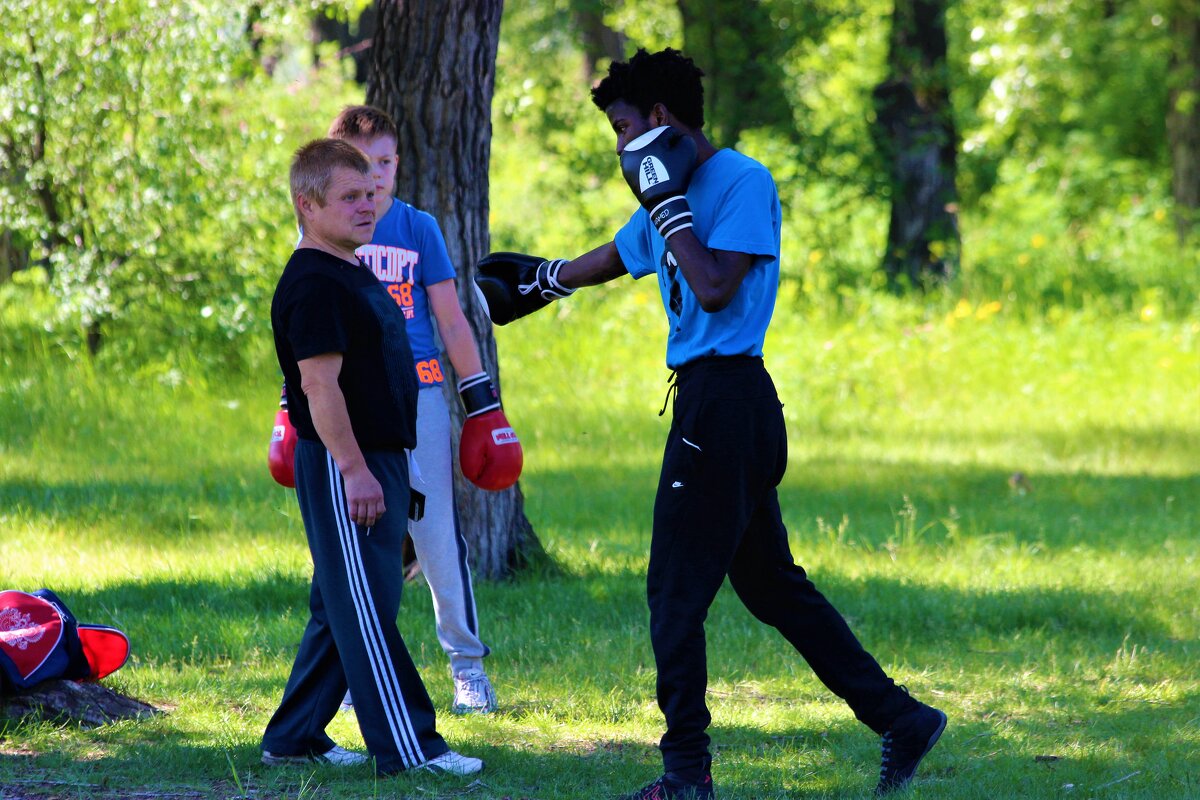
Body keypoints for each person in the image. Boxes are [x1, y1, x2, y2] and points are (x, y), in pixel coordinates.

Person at [474, 49, 947, 799]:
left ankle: (685, 773)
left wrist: (665, 202)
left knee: (674, 595)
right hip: (710, 406)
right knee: (772, 589)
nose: (620, 146)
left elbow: (718, 286)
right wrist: (542, 280)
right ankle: (901, 719)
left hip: (729, 403)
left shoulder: (740, 182)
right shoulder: (678, 193)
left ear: (660, 120)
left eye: (625, 127)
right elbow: (623, 252)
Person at [261, 137, 482, 777]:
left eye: (371, 194)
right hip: (344, 463)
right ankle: (411, 747)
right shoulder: (314, 283)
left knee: (341, 603)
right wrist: (355, 469)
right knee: (367, 604)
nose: (368, 206)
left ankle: (294, 736)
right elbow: (318, 387)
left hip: (377, 455)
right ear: (307, 205)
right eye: (350, 197)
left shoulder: (349, 267)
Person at [325, 104, 513, 714]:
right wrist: (289, 403)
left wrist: (482, 401)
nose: (375, 177)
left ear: (398, 163)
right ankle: (362, 675)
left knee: (435, 538)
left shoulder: (418, 228)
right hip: (353, 405)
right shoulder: (328, 234)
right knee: (360, 541)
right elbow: (306, 327)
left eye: (384, 162)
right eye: (361, 165)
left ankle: (467, 668)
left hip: (422, 398)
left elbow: (452, 319)